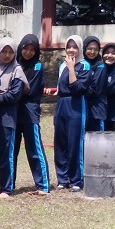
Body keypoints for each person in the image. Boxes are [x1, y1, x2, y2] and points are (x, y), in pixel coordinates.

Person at [46, 35, 91, 192]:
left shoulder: (84, 66)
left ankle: (76, 180)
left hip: (76, 105)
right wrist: (55, 92)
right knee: (61, 143)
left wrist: (72, 68)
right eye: (69, 46)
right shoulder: (62, 66)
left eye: (75, 47)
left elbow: (78, 88)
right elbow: (62, 87)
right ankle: (62, 178)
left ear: (80, 49)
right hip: (62, 105)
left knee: (74, 143)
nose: (71, 50)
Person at [0, 38, 27, 199]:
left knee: (5, 153)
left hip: (7, 117)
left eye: (10, 52)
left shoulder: (17, 70)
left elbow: (15, 94)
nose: (6, 55)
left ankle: (6, 188)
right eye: (4, 51)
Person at [13, 34, 49, 195]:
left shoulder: (37, 66)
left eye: (31, 49)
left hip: (29, 112)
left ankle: (43, 184)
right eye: (25, 49)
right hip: (13, 112)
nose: (28, 52)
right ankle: (8, 185)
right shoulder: (14, 64)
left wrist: (10, 94)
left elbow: (30, 89)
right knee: (11, 150)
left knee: (34, 148)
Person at [81, 35, 106, 132]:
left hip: (96, 111)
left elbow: (95, 89)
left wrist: (78, 89)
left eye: (95, 49)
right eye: (89, 49)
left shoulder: (100, 66)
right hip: (83, 108)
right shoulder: (82, 64)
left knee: (96, 142)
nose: (92, 52)